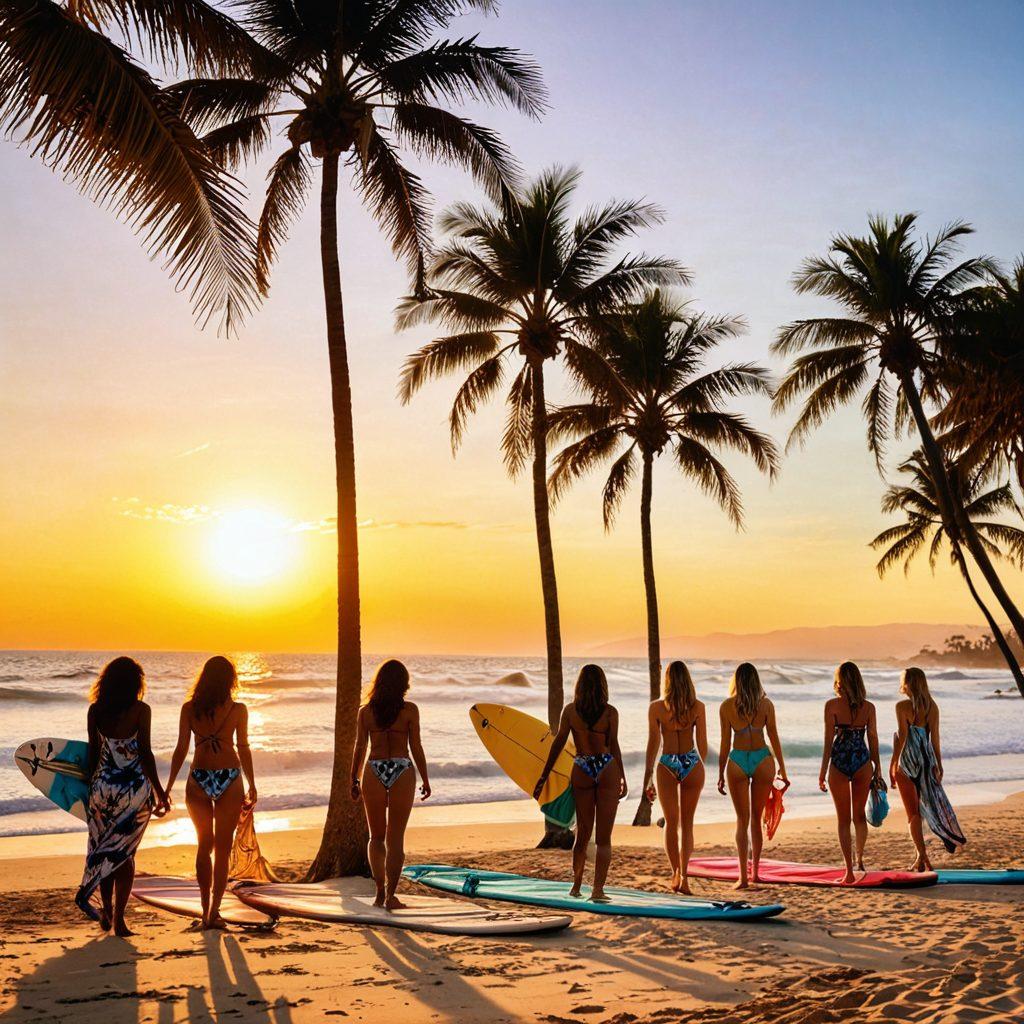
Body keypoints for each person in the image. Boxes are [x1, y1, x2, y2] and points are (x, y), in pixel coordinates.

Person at [76, 657, 168, 934]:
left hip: (103, 790)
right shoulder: (141, 710)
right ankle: (119, 920)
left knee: (104, 852)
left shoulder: (96, 710)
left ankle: (106, 911)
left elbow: (94, 753)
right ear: (135, 683)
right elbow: (145, 753)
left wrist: (90, 788)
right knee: (125, 855)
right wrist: (160, 792)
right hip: (134, 791)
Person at [166, 656, 256, 930]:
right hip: (229, 777)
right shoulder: (239, 709)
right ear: (230, 680)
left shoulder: (190, 709)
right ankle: (212, 913)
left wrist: (168, 786)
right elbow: (243, 747)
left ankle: (206, 910)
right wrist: (252, 783)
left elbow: (182, 749)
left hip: (198, 779)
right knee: (222, 846)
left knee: (204, 846)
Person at [534, 664, 626, 901]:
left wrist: (545, 774)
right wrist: (622, 776)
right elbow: (613, 745)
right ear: (603, 686)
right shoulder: (610, 713)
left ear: (579, 686)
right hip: (606, 767)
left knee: (583, 833)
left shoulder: (570, 711)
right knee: (604, 838)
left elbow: (559, 743)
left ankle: (575, 887)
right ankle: (597, 890)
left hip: (582, 766)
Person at [351, 660, 431, 910]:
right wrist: (426, 778)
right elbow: (415, 747)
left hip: (374, 770)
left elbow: (360, 748)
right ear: (403, 684)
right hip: (401, 769)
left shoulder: (365, 712)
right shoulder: (409, 710)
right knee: (395, 839)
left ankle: (378, 892)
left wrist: (353, 778)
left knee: (376, 837)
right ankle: (390, 897)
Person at [717, 662, 788, 889]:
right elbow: (774, 737)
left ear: (736, 681)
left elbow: (725, 743)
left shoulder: (727, 706)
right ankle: (755, 872)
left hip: (737, 760)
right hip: (762, 760)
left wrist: (720, 772)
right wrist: (783, 769)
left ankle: (743, 878)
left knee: (742, 820)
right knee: (756, 819)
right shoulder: (766, 705)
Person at [890, 666, 966, 869]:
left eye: (903, 681)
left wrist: (893, 763)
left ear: (908, 684)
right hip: (926, 763)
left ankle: (922, 857)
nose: (902, 685)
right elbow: (935, 739)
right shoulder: (933, 707)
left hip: (907, 763)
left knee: (913, 814)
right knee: (929, 809)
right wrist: (939, 764)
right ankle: (921, 857)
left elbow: (903, 737)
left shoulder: (901, 707)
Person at [641, 661, 707, 894]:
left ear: (666, 681)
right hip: (691, 761)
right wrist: (699, 764)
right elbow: (703, 746)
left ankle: (675, 872)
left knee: (671, 822)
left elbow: (653, 743)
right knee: (687, 824)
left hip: (667, 763)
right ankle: (686, 877)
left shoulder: (657, 708)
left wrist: (648, 775)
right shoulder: (698, 707)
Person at [818, 661, 881, 883]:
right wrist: (878, 769)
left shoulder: (831, 706)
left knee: (843, 820)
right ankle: (860, 859)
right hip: (863, 762)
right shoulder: (869, 707)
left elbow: (828, 741)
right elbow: (873, 739)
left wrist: (823, 770)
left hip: (839, 764)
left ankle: (848, 871)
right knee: (859, 815)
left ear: (840, 681)